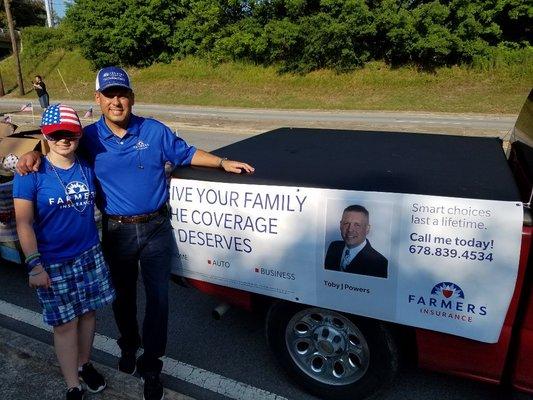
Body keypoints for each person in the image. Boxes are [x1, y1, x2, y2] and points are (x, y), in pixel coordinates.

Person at [16, 66, 254, 400]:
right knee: (122, 298)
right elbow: (57, 150)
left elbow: (186, 153)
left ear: (132, 97)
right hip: (117, 232)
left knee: (159, 301)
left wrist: (222, 162)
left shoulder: (154, 131)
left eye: (122, 94)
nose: (116, 101)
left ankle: (152, 364)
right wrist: (33, 155)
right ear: (97, 99)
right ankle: (128, 345)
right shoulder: (89, 138)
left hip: (156, 228)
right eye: (109, 95)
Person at [13, 105, 116, 400]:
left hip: (88, 254)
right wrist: (34, 265)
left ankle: (84, 365)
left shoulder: (85, 165)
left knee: (88, 315)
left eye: (69, 133)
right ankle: (72, 384)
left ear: (78, 134)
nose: (63, 139)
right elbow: (24, 223)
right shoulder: (30, 172)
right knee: (65, 324)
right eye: (55, 133)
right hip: (53, 263)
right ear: (46, 135)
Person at [325, 204, 388, 278]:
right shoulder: (334, 246)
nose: (350, 229)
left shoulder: (379, 263)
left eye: (357, 225)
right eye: (346, 223)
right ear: (340, 225)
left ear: (367, 229)